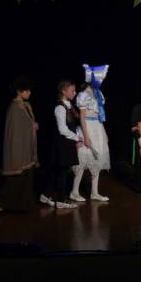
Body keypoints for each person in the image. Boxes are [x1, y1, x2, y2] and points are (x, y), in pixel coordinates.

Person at [0, 76, 38, 212]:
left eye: (29, 90)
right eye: (26, 91)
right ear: (19, 91)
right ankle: (2, 203)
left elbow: (26, 124)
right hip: (17, 147)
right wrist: (30, 126)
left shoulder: (25, 105)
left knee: (25, 177)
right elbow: (13, 131)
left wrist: (32, 125)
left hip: (25, 148)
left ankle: (21, 205)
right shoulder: (14, 107)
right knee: (15, 177)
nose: (29, 93)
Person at [71, 64, 110, 202]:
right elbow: (82, 117)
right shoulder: (83, 94)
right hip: (87, 127)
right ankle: (74, 191)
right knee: (83, 159)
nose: (100, 81)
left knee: (98, 159)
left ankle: (94, 192)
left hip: (98, 127)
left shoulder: (98, 93)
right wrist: (86, 136)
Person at [42, 80, 80, 208]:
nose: (74, 93)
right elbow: (62, 129)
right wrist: (77, 138)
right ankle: (61, 200)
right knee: (62, 172)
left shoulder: (69, 106)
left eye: (75, 90)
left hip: (67, 143)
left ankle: (46, 195)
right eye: (72, 90)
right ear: (63, 91)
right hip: (62, 144)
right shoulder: (60, 107)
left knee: (58, 171)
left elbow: (72, 124)